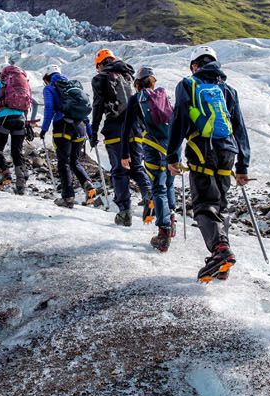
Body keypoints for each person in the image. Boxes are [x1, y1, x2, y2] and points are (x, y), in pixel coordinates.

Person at [166, 46, 251, 282]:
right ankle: (223, 265)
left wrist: (172, 156)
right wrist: (243, 165)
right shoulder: (228, 89)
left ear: (194, 65)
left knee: (204, 205)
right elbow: (240, 128)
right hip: (227, 153)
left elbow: (180, 118)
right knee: (220, 206)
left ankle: (220, 252)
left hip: (201, 149)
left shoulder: (188, 85)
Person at [89, 49, 152, 226]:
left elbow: (98, 105)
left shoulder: (101, 78)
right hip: (135, 128)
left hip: (115, 128)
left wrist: (93, 132)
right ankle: (148, 194)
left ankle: (124, 212)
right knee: (137, 166)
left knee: (119, 170)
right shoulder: (128, 76)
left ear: (101, 64)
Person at [123, 66, 177, 252]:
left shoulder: (136, 99)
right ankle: (171, 219)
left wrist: (124, 154)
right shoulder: (164, 97)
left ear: (137, 83)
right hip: (171, 148)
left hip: (152, 147)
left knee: (158, 188)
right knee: (169, 185)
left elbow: (127, 128)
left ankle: (163, 233)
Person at [39, 67, 98, 208]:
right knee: (74, 161)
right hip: (80, 128)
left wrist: (44, 129)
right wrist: (90, 134)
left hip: (63, 128)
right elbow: (85, 115)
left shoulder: (50, 88)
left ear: (48, 77)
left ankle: (68, 197)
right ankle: (88, 183)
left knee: (63, 162)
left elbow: (48, 108)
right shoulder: (73, 87)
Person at [0, 63, 38, 194]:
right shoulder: (23, 87)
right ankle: (20, 183)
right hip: (20, 120)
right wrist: (30, 120)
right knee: (16, 152)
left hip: (3, 120)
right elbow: (35, 104)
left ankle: (5, 173)